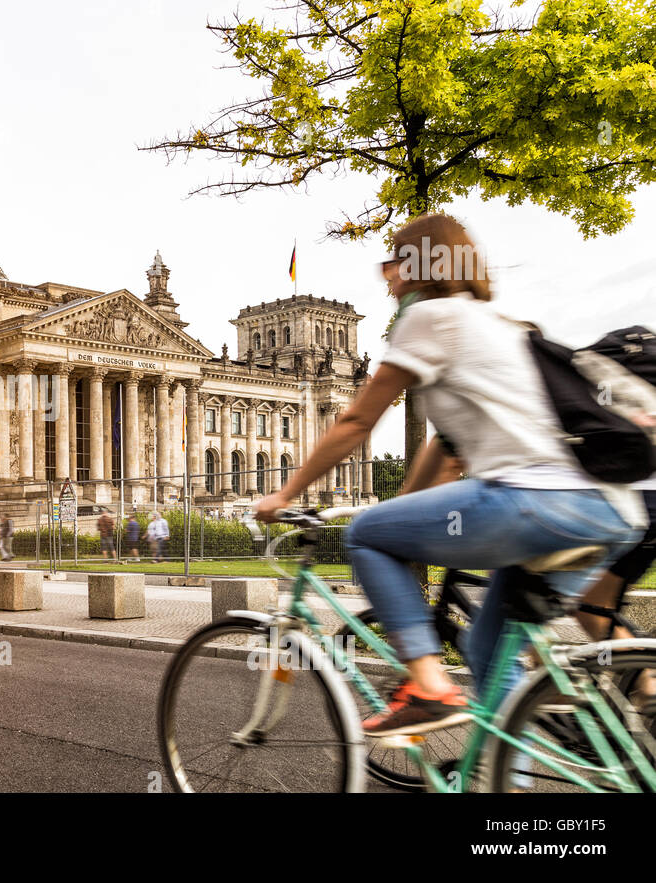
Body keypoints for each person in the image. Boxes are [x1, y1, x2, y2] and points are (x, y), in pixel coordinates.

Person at [255, 213, 644, 737]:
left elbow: (356, 419)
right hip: (609, 511)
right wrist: (413, 507)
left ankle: (427, 685)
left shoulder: (428, 317)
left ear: (421, 264)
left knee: (367, 533)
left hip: (531, 501)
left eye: (393, 259)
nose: (386, 273)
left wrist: (286, 493)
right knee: (491, 654)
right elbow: (452, 443)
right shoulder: (507, 328)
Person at [574, 476, 656, 709]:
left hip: (639, 508)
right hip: (639, 507)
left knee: (588, 609)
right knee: (600, 613)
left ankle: (647, 682)